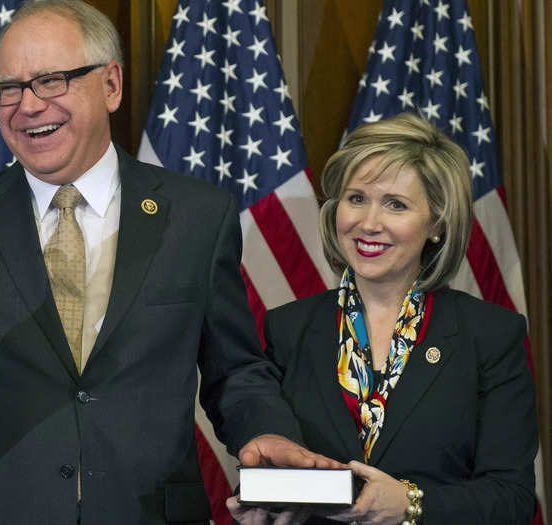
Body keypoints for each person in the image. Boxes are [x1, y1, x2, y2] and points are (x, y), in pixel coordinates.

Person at [0, 1, 339, 523]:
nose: (28, 106)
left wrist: (264, 432)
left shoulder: (197, 216)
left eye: (52, 80)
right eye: (8, 89)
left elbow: (235, 368)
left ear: (111, 85)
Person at [229, 112, 538, 524]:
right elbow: (285, 460)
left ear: (437, 224)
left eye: (395, 204)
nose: (368, 223)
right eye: (357, 199)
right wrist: (263, 503)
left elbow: (512, 498)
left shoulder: (491, 335)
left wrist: (412, 505)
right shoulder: (288, 327)